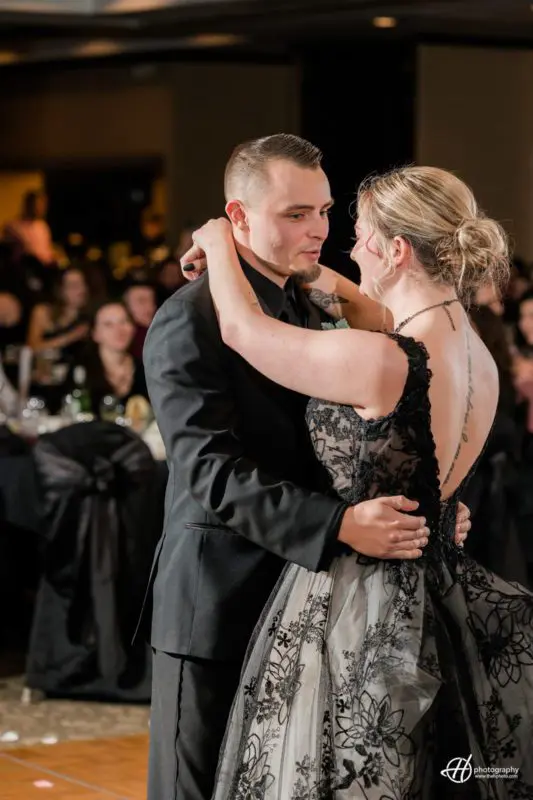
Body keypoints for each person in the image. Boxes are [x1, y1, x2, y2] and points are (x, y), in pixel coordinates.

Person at [188, 161, 533, 798]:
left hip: (362, 597)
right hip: (434, 587)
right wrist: (312, 272)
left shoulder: (382, 358)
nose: (347, 247)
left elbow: (241, 330)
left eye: (360, 235)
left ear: (397, 249)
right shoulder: (472, 347)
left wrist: (215, 239)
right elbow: (370, 306)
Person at [141, 135, 471, 800]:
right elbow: (209, 471)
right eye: (295, 214)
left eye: (322, 211)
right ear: (239, 217)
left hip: (302, 595)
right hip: (218, 597)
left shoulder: (307, 304)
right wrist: (338, 524)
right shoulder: (191, 318)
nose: (318, 229)